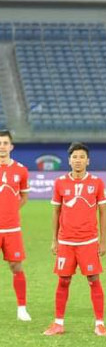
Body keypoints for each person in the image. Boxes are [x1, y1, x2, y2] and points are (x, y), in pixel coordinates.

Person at [43, 142, 106, 336]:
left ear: (87, 160)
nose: (78, 160)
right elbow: (56, 212)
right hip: (66, 242)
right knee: (63, 281)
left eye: (81, 157)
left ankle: (99, 323)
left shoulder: (96, 182)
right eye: (74, 157)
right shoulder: (60, 183)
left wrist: (102, 241)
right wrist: (54, 240)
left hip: (88, 241)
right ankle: (58, 323)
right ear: (69, 160)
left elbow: (103, 213)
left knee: (93, 280)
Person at [0, 129, 31, 321]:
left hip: (12, 229)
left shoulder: (21, 170)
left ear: (11, 146)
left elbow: (24, 197)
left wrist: (9, 211)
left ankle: (21, 308)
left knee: (16, 266)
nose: (1, 147)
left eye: (5, 143)